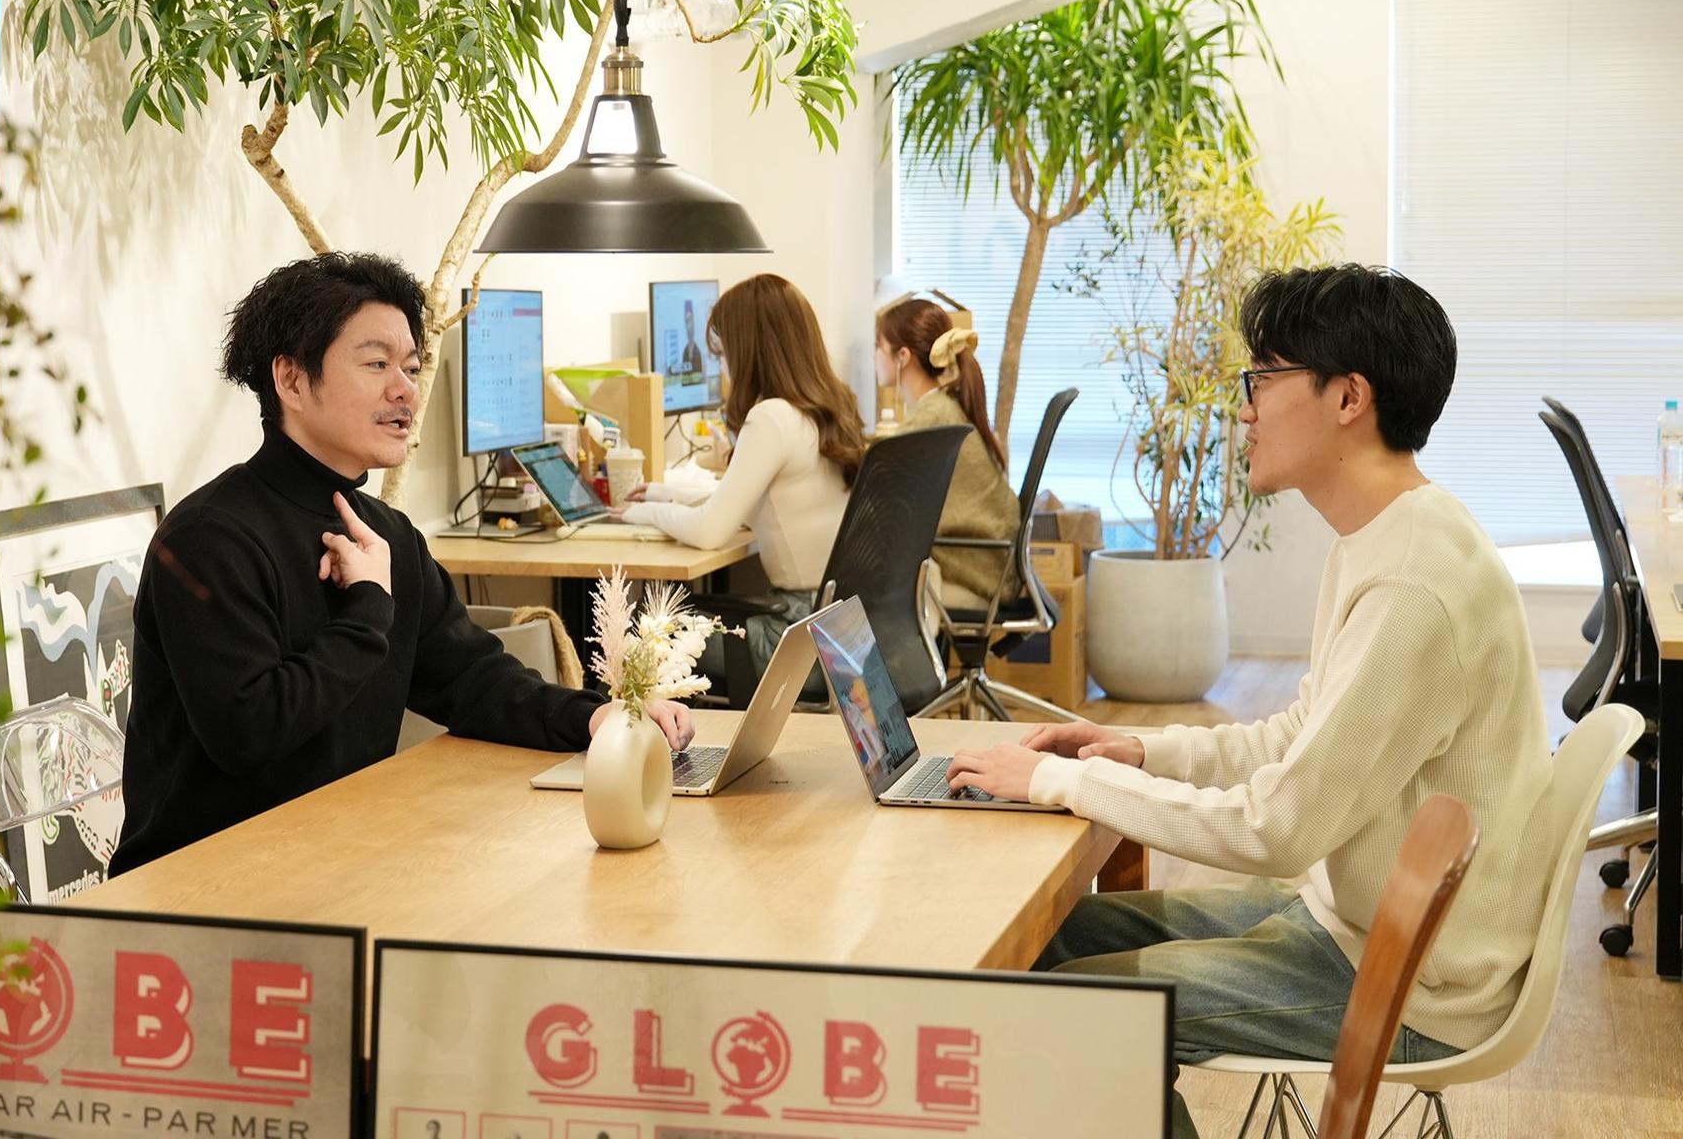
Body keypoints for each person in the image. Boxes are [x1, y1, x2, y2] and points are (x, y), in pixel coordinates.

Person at [946, 264, 1552, 1138]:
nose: (1244, 409)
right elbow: (1303, 734)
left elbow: (1280, 831)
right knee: (1049, 937)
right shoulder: (1388, 536)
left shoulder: (1413, 587)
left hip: (1414, 976)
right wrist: (1142, 752)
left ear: (1349, 398)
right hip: (1359, 919)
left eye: (1263, 379)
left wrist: (1061, 783)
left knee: (1076, 1013)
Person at [112, 252, 692, 876]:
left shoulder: (387, 534)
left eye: (411, 368)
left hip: (339, 860)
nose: (405, 389)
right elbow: (251, 735)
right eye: (376, 363)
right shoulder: (208, 538)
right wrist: (367, 612)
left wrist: (597, 716)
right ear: (292, 380)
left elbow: (472, 680)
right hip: (203, 886)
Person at [620, 273, 864, 679]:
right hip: (843, 628)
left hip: (799, 638)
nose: (723, 367)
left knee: (638, 631)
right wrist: (662, 494)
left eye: (722, 353)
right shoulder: (829, 406)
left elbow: (710, 530)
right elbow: (745, 503)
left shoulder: (771, 417)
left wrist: (640, 514)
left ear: (748, 351)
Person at [873, 299, 1020, 609]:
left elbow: (877, 487)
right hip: (990, 570)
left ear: (902, 357)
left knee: (861, 596)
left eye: (879, 346)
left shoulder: (932, 416)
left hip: (974, 578)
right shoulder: (944, 405)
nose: (874, 356)